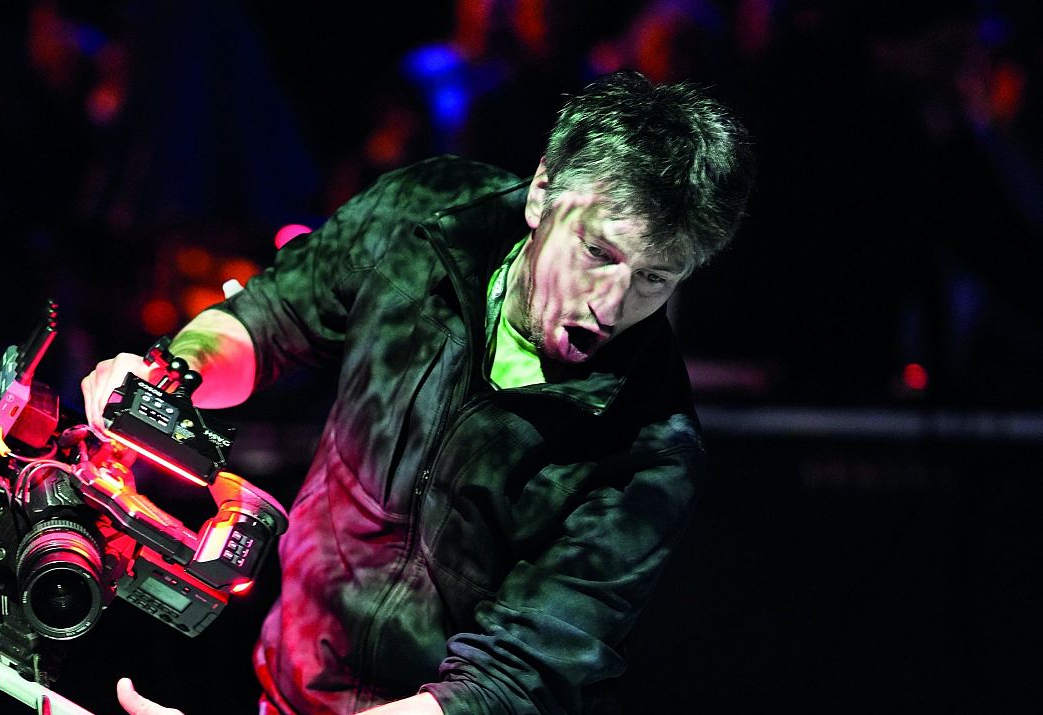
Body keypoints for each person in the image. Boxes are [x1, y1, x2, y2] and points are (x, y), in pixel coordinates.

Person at [83, 70, 755, 715]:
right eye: (598, 253)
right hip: (291, 687)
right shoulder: (423, 215)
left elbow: (509, 679)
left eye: (655, 279)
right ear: (542, 193)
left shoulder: (653, 450)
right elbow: (272, 317)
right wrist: (169, 377)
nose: (610, 305)